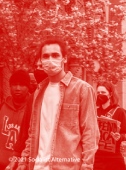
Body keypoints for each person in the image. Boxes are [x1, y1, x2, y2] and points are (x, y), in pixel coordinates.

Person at [16, 39, 99, 170]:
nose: (50, 59)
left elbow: (90, 133)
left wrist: (87, 165)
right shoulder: (39, 92)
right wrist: (23, 161)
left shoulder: (82, 89)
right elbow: (33, 133)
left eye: (55, 55)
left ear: (64, 59)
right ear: (41, 61)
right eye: (46, 56)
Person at [94, 82, 126, 170]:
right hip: (98, 157)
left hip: (114, 158)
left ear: (110, 94)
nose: (100, 95)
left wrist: (119, 137)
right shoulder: (95, 111)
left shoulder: (120, 112)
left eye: (103, 92)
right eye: (98, 93)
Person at [0, 70, 31, 169]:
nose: (17, 88)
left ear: (28, 87)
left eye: (22, 85)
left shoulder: (33, 108)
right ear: (10, 86)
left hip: (21, 165)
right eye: (14, 85)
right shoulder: (2, 106)